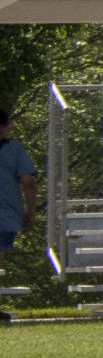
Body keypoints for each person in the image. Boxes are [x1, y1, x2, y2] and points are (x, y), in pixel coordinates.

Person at [0, 106, 35, 256]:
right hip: (6, 216)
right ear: (4, 128)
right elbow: (29, 183)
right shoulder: (14, 151)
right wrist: (31, 213)